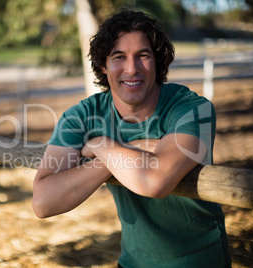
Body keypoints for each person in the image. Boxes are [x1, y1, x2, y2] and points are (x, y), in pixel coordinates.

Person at [32, 10, 231, 268]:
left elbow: (155, 182)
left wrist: (101, 146)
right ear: (103, 64)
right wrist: (125, 153)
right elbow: (43, 202)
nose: (131, 68)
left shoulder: (192, 110)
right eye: (119, 57)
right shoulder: (84, 115)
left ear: (157, 61)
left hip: (198, 261)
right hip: (132, 262)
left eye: (143, 55)